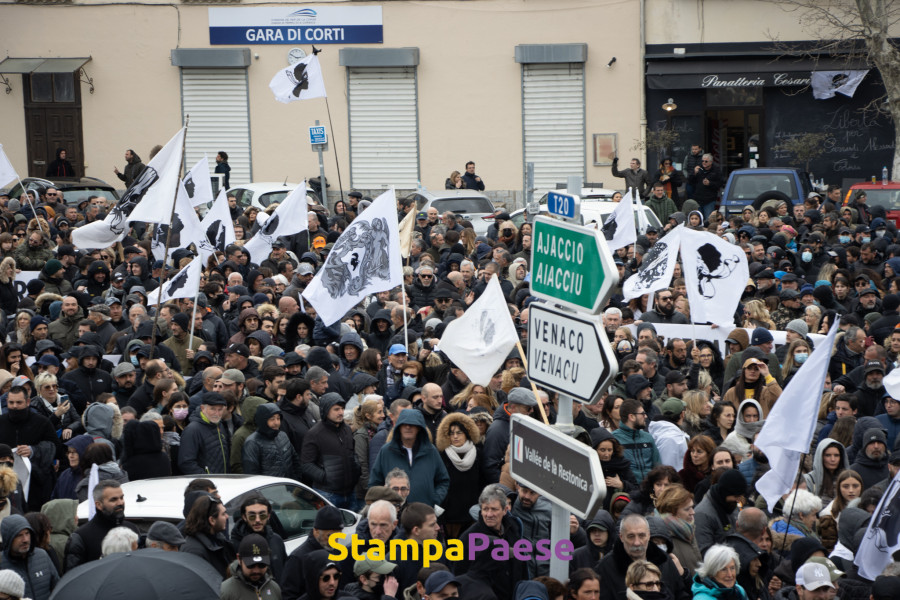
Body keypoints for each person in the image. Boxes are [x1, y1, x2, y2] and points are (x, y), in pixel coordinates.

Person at [596, 514, 689, 600]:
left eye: (641, 535)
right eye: (631, 536)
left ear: (648, 535)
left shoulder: (664, 560)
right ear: (621, 537)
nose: (637, 542)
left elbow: (681, 595)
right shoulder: (605, 568)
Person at [369, 409, 449, 507]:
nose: (408, 427)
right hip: (394, 514)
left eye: (412, 424)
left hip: (423, 512)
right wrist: (385, 504)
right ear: (399, 427)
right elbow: (375, 483)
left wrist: (434, 499)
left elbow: (443, 480)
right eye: (404, 424)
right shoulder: (386, 451)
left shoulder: (430, 451)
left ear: (419, 428)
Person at [300, 393, 360, 510]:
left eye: (342, 408)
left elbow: (353, 453)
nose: (341, 412)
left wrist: (356, 468)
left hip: (350, 492)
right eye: (336, 409)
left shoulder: (346, 430)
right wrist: (326, 478)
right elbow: (306, 464)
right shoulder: (314, 433)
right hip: (328, 493)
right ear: (326, 410)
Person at [64, 480, 139, 571]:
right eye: (113, 499)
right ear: (99, 505)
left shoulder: (132, 529)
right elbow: (73, 575)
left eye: (121, 498)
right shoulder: (81, 537)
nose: (120, 503)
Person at [0, 515, 58, 600]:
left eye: (27, 533)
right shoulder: (1, 562)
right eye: (19, 535)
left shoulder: (42, 555)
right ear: (8, 537)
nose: (25, 539)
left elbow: (57, 586)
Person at [182, 493, 235, 578]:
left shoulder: (218, 540)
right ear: (212, 520)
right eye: (223, 514)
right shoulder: (194, 550)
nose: (227, 516)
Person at [694, 469, 745, 554]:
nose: (738, 500)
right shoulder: (702, 514)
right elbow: (705, 551)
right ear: (724, 493)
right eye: (736, 496)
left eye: (740, 495)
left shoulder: (730, 505)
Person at [179, 392, 231, 474]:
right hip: (206, 484)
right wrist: (207, 478)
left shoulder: (220, 425)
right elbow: (186, 463)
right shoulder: (192, 430)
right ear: (203, 408)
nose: (217, 413)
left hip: (222, 481)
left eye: (220, 409)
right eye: (213, 409)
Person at [219, 533, 282, 600]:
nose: (256, 570)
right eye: (250, 565)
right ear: (239, 559)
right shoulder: (225, 591)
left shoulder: (275, 588)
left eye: (262, 565)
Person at [688, 153, 724, 220]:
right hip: (698, 199)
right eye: (702, 161)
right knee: (698, 220)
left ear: (711, 162)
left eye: (706, 161)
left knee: (709, 219)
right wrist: (694, 173)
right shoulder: (698, 169)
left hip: (709, 200)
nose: (704, 163)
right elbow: (690, 182)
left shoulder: (716, 171)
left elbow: (720, 184)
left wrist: (710, 183)